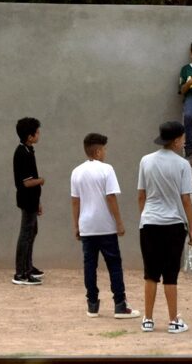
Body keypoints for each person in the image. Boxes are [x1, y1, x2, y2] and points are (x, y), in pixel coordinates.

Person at [71, 133, 140, 319]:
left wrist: (76, 225)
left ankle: (92, 304)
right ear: (98, 150)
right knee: (114, 265)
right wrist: (119, 222)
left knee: (89, 265)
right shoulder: (107, 169)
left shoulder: (76, 172)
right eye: (105, 149)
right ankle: (119, 304)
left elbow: (75, 201)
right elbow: (111, 197)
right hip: (106, 226)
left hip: (87, 226)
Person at [137, 121, 192, 334]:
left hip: (149, 223)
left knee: (150, 273)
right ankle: (173, 321)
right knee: (170, 274)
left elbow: (141, 195)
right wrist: (191, 228)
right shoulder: (182, 165)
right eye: (182, 138)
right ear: (176, 140)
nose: (184, 141)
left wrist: (145, 216)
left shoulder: (146, 161)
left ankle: (148, 319)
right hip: (173, 224)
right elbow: (186, 200)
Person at [12, 117, 45, 286]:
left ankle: (28, 267)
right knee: (25, 235)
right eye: (37, 132)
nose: (39, 135)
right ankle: (20, 273)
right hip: (26, 200)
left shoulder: (29, 150)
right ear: (30, 136)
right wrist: (41, 180)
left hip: (32, 200)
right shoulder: (22, 153)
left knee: (32, 232)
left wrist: (38, 201)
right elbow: (26, 182)